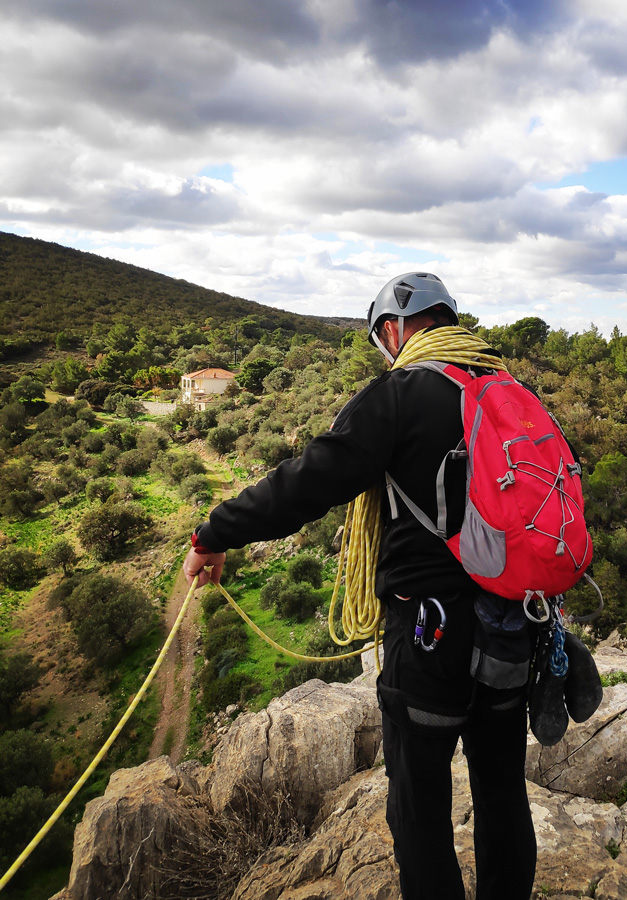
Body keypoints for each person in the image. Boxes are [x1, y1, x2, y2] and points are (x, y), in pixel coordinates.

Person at [183, 273, 537, 900]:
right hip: (513, 623)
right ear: (448, 320)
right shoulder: (508, 389)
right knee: (502, 789)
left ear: (396, 328)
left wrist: (214, 532)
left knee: (419, 808)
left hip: (430, 635)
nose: (384, 350)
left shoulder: (399, 395)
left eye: (382, 338)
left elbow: (306, 482)